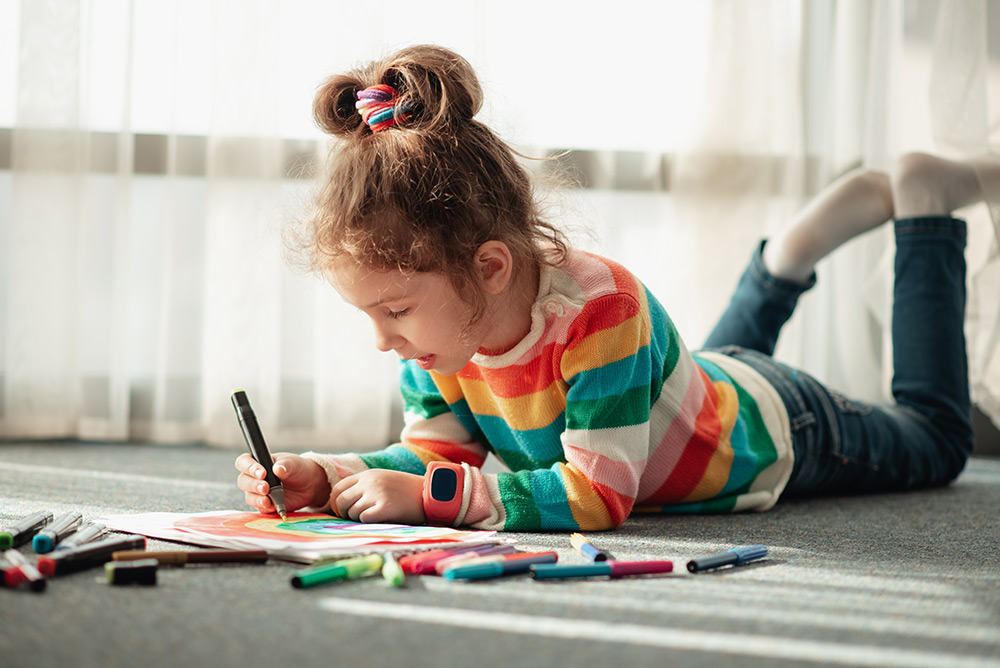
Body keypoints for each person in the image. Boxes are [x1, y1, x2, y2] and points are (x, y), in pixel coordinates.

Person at [235, 44, 987, 531]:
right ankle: (785, 260)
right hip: (692, 394)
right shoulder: (437, 337)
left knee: (938, 437)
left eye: (393, 310)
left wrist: (439, 500)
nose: (382, 338)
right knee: (702, 369)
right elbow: (437, 452)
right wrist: (330, 474)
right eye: (369, 314)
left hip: (779, 427)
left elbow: (598, 496)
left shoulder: (602, 310)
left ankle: (923, 211)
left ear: (490, 267)